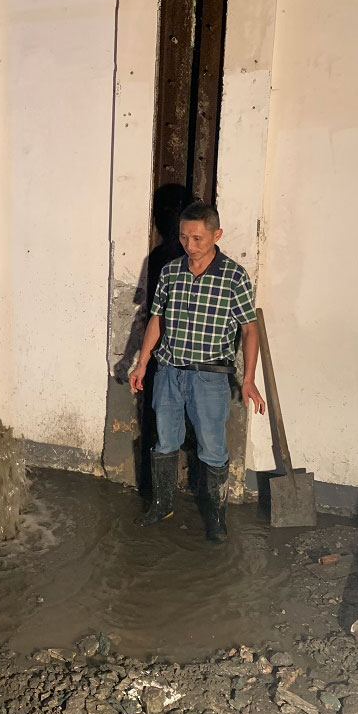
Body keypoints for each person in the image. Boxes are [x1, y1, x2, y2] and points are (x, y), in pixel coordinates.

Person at [129, 201, 265, 541]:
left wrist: (248, 379)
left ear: (217, 235)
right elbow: (157, 318)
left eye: (197, 238)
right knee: (164, 441)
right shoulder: (171, 271)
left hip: (210, 377)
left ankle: (216, 517)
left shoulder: (234, 276)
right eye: (184, 237)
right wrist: (142, 363)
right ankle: (161, 505)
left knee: (212, 447)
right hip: (169, 372)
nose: (190, 245)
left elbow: (250, 329)